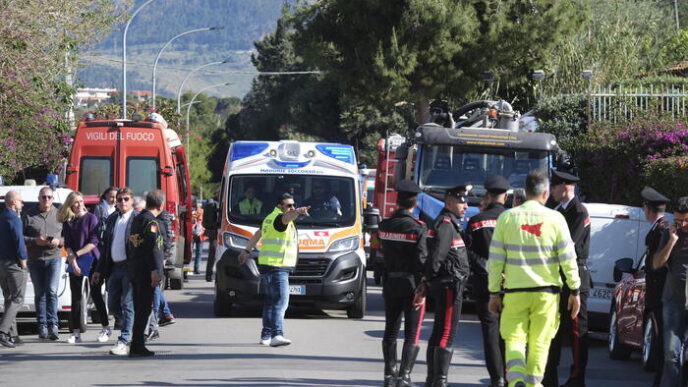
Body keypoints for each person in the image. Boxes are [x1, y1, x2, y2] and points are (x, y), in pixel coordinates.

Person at [488, 171, 581, 387]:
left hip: (515, 292)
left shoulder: (507, 218)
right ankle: (533, 383)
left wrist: (494, 292)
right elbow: (568, 259)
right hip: (546, 294)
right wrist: (575, 291)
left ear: (524, 192)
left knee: (514, 339)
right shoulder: (556, 219)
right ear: (546, 193)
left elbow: (495, 260)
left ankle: (517, 380)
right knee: (540, 342)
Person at [238, 193, 310, 347]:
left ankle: (266, 335)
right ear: (280, 206)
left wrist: (246, 251)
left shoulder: (269, 218)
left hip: (268, 265)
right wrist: (297, 212)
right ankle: (277, 334)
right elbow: (286, 218)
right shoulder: (279, 219)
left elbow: (258, 234)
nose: (292, 207)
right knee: (281, 301)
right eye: (288, 205)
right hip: (278, 266)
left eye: (293, 205)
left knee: (270, 302)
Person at [377, 180, 428, 387]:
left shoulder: (384, 226)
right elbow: (423, 260)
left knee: (390, 330)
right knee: (411, 332)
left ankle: (389, 374)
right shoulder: (418, 228)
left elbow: (380, 255)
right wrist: (424, 286)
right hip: (412, 285)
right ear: (414, 203)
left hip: (391, 283)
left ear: (397, 201)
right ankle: (404, 376)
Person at [543, 170, 591, 387]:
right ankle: (549, 376)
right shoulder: (553, 210)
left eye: (554, 187)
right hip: (555, 277)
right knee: (552, 329)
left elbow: (568, 245)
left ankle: (576, 378)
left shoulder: (579, 212)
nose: (551, 191)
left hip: (575, 277)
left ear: (565, 187)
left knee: (576, 332)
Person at [420, 185, 471, 387]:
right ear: (449, 202)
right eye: (461, 201)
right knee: (447, 332)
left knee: (440, 331)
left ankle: (433, 379)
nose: (466, 206)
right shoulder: (446, 224)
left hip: (450, 282)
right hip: (449, 283)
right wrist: (427, 280)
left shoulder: (449, 222)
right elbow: (437, 256)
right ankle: (439, 381)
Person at [466, 176, 509, 387]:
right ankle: (509, 375)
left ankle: (497, 378)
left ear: (488, 196)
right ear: (506, 196)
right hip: (512, 284)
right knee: (509, 332)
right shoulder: (513, 219)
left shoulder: (475, 222)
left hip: (484, 283)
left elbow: (469, 254)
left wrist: (489, 269)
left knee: (490, 331)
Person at [58, 191, 109, 344]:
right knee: (76, 298)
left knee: (96, 294)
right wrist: (72, 261)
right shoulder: (68, 221)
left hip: (93, 260)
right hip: (76, 260)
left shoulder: (92, 218)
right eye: (76, 202)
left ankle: (106, 328)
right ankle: (75, 333)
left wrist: (76, 255)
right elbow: (68, 244)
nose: (79, 204)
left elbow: (93, 242)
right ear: (70, 205)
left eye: (81, 201)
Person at [92, 187, 137, 356]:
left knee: (127, 303)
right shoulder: (112, 219)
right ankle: (133, 326)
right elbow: (105, 247)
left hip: (130, 268)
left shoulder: (137, 219)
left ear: (132, 200)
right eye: (119, 200)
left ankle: (124, 340)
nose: (122, 202)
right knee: (112, 305)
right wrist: (99, 270)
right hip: (114, 267)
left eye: (126, 199)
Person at [652, 197, 688, 387]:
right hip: (673, 300)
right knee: (671, 353)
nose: (682, 225)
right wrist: (671, 242)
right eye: (678, 220)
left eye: (685, 221)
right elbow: (657, 263)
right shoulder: (670, 233)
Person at [22, 186, 64, 340]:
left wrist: (59, 242)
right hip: (35, 260)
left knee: (52, 291)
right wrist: (35, 241)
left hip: (54, 258)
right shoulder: (28, 215)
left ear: (53, 199)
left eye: (49, 197)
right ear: (38, 198)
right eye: (43, 197)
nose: (46, 199)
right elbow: (20, 238)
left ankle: (53, 325)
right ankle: (42, 326)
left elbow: (68, 236)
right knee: (40, 293)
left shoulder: (60, 214)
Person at [128, 190, 165, 357]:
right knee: (143, 309)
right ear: (161, 205)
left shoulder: (137, 218)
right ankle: (137, 345)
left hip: (135, 268)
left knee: (139, 308)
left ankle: (136, 343)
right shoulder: (151, 222)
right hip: (145, 271)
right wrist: (154, 271)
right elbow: (152, 248)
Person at [640, 187, 670, 387]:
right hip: (657, 294)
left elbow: (660, 264)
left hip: (660, 295)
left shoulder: (662, 230)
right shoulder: (659, 228)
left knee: (661, 342)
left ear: (648, 209)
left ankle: (661, 381)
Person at [0, 190, 28, 348]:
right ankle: (3, 332)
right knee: (17, 299)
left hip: (1, 264)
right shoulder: (14, 219)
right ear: (13, 203)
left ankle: (13, 334)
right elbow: (19, 242)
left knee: (9, 298)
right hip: (13, 265)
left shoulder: (2, 217)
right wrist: (23, 260)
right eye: (20, 201)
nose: (22, 204)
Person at [146, 208, 176, 341]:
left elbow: (162, 238)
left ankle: (157, 318)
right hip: (161, 254)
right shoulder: (161, 216)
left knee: (156, 287)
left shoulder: (158, 218)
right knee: (156, 287)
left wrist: (163, 254)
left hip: (158, 255)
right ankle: (166, 314)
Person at [203, 191, 220, 282]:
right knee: (213, 254)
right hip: (215, 233)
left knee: (214, 255)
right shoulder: (213, 203)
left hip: (219, 232)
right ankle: (209, 275)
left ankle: (212, 275)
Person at [192, 202, 204, 274]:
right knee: (196, 253)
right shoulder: (189, 211)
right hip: (193, 234)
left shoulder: (201, 211)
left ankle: (196, 268)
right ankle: (188, 271)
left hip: (200, 234)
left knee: (198, 252)